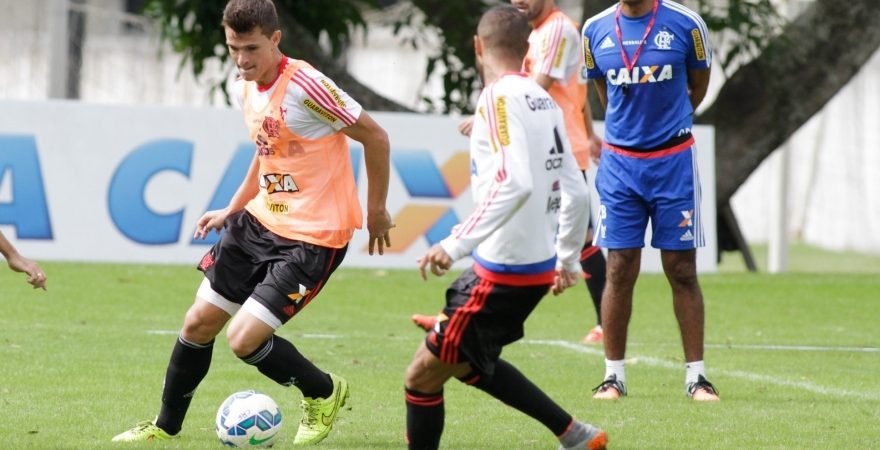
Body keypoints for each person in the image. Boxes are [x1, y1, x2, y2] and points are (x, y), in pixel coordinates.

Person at [113, 0, 393, 444]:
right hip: (259, 222)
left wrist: (377, 209)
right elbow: (267, 150)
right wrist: (232, 206)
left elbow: (376, 137)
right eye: (233, 48)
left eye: (251, 49)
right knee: (197, 324)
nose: (242, 59)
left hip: (313, 237)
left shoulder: (308, 85)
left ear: (275, 40)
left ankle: (323, 392)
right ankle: (164, 429)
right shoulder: (244, 85)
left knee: (242, 340)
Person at [403, 6, 606, 450]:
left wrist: (454, 243)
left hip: (502, 274)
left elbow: (514, 181)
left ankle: (573, 433)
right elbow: (574, 187)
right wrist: (567, 258)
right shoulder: (545, 99)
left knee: (420, 377)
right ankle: (575, 435)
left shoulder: (497, 97)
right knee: (469, 362)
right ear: (527, 48)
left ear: (478, 46)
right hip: (523, 267)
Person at [581, 0, 719, 401]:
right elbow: (603, 91)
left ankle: (697, 377)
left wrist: (670, 121)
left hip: (673, 162)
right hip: (620, 165)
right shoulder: (594, 29)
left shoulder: (687, 24)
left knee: (682, 268)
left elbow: (699, 86)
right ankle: (613, 377)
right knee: (620, 267)